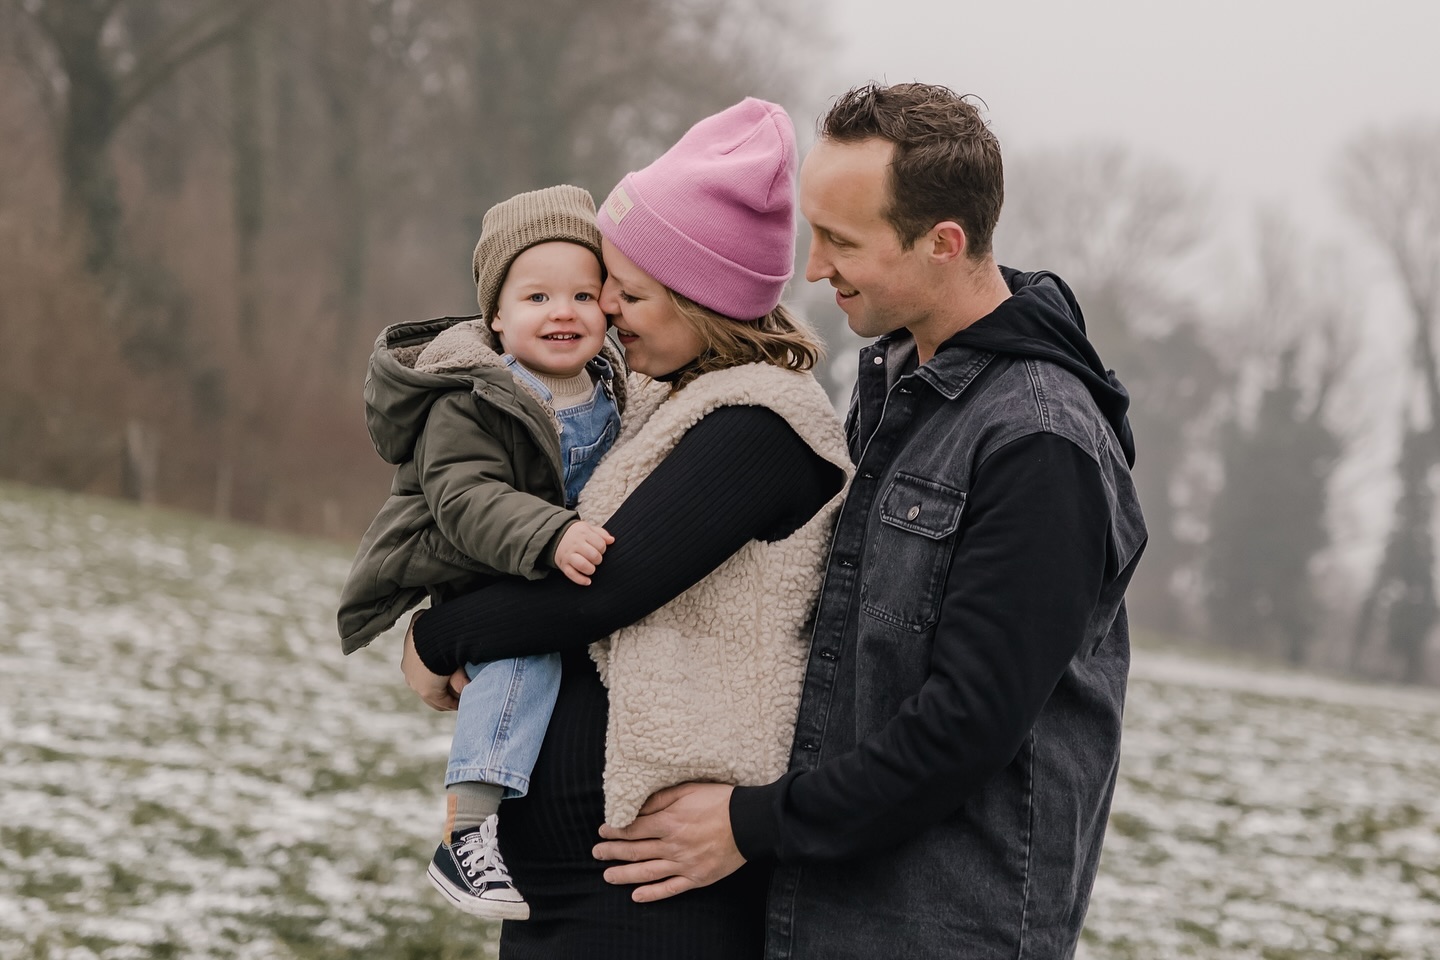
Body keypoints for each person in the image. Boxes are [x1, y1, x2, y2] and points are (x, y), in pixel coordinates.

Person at [592, 82, 1149, 959]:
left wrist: (749, 822)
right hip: (820, 908)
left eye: (843, 241)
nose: (815, 267)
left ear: (943, 243)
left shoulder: (1041, 442)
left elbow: (964, 727)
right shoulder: (895, 386)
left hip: (943, 930)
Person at [399, 97, 851, 959]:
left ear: (703, 297)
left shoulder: (763, 426)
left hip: (648, 903)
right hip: (575, 885)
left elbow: (600, 590)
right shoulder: (657, 401)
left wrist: (439, 634)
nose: (606, 305)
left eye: (630, 291)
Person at [336, 185, 626, 920]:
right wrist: (550, 534)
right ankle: (465, 831)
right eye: (537, 297)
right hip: (488, 574)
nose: (563, 312)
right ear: (495, 316)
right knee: (522, 657)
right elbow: (463, 500)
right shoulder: (470, 397)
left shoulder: (617, 391)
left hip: (571, 578)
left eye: (583, 295)